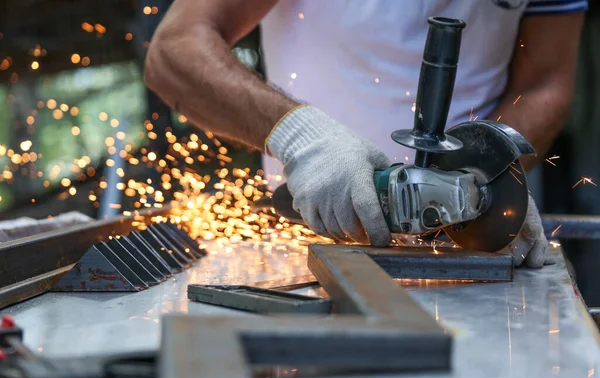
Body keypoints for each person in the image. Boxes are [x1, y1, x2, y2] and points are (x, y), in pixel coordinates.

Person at [144, 0, 586, 268]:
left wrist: (490, 171)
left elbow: (545, 83)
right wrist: (305, 139)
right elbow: (174, 51)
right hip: (311, 234)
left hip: (474, 244)